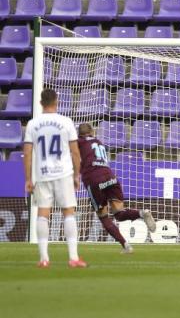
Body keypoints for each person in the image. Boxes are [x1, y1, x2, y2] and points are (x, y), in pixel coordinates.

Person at [23, 89, 86, 268]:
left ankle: (44, 259)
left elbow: (27, 152)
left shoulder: (33, 124)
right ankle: (73, 258)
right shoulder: (66, 122)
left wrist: (28, 178)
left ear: (41, 102)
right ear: (56, 102)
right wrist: (77, 174)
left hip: (42, 174)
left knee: (43, 214)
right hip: (64, 173)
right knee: (68, 212)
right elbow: (75, 152)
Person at [77, 123, 157, 254]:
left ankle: (126, 246)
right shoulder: (99, 142)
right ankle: (142, 213)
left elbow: (75, 157)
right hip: (110, 177)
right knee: (119, 214)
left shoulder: (78, 142)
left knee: (103, 217)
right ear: (92, 132)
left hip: (94, 180)